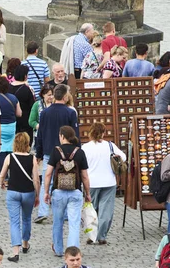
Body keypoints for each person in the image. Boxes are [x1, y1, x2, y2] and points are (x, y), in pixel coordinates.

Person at [35, 84, 78, 224]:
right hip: (66, 152)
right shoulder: (70, 113)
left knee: (46, 181)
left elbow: (39, 134)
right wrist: (77, 150)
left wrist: (38, 153)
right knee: (66, 181)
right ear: (65, 97)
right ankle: (65, 213)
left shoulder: (45, 113)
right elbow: (75, 135)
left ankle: (43, 211)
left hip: (48, 150)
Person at [43, 126, 90, 255]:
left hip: (58, 192)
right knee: (74, 223)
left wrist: (46, 192)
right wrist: (88, 193)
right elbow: (85, 176)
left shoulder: (56, 151)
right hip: (75, 192)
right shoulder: (79, 152)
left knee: (57, 222)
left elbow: (48, 174)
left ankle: (58, 250)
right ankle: (73, 252)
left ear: (62, 136)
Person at [81, 122, 126, 244]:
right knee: (106, 211)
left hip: (91, 183)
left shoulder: (85, 147)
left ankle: (91, 236)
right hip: (109, 182)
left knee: (91, 210)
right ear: (103, 133)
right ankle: (101, 236)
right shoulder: (110, 146)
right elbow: (124, 157)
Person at [0, 132, 39, 262]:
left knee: (14, 222)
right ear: (27, 144)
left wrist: (2, 183)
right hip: (28, 192)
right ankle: (25, 245)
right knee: (26, 219)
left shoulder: (10, 157)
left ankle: (15, 252)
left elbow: (2, 174)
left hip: (13, 192)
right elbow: (36, 179)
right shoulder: (32, 158)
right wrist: (37, 194)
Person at [8, 64, 35, 142]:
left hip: (11, 118)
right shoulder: (27, 89)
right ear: (25, 76)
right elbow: (32, 105)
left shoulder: (8, 87)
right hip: (25, 119)